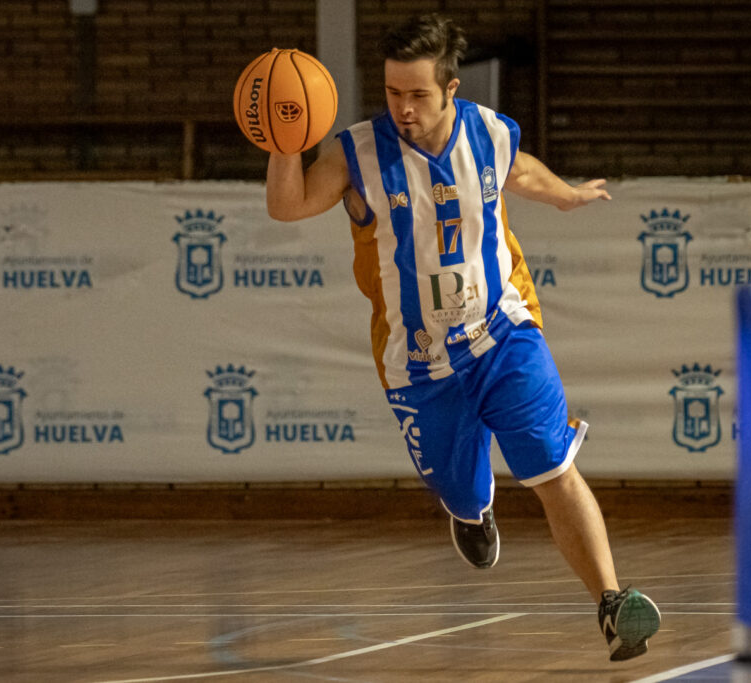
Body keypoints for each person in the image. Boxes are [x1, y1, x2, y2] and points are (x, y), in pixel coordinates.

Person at [264, 13, 661, 662]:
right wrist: (283, 142)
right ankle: (471, 508)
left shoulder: (489, 133)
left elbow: (522, 170)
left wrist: (565, 196)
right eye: (393, 93)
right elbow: (289, 205)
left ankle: (613, 605)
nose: (403, 108)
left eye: (418, 95)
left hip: (503, 332)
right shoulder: (357, 153)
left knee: (552, 466)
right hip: (418, 363)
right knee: (462, 486)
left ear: (451, 89)